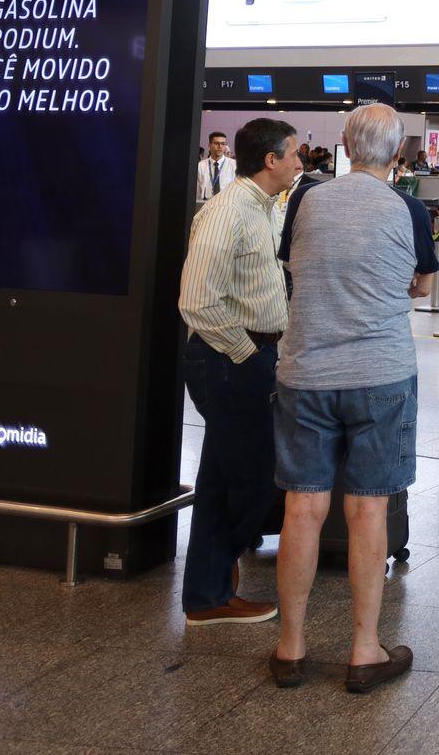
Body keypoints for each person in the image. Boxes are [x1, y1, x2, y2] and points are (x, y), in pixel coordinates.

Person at [269, 105, 436, 692]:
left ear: (344, 143)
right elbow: (422, 284)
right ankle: (365, 651)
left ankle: (290, 648)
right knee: (367, 509)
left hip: (306, 372)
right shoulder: (410, 209)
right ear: (399, 153)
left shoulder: (307, 199)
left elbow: (293, 266)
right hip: (380, 376)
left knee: (301, 508)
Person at [177, 117, 300, 629]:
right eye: (294, 153)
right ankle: (212, 583)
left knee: (222, 475)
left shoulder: (266, 207)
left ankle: (208, 594)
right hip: (227, 360)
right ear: (271, 160)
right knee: (251, 477)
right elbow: (197, 301)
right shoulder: (226, 212)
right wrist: (247, 354)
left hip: (250, 356)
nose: (300, 162)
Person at [194, 131, 236, 206]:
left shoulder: (234, 165)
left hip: (227, 206)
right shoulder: (201, 166)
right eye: (216, 143)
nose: (220, 146)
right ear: (209, 145)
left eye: (223, 144)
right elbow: (197, 191)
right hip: (205, 205)